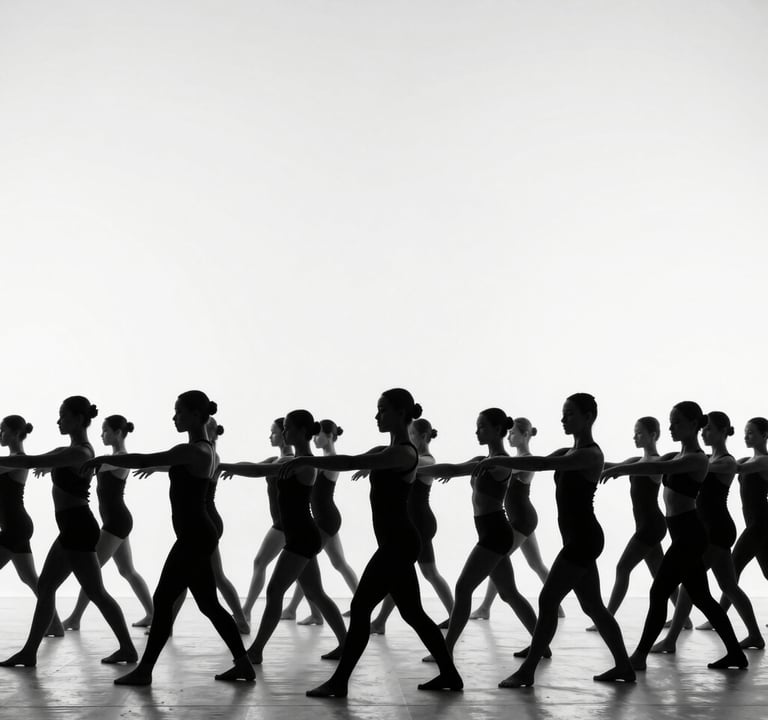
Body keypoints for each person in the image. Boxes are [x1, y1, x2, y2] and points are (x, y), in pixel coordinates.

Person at [277, 389, 462, 698]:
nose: (377, 416)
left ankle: (340, 681)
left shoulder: (403, 453)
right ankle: (450, 675)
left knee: (360, 606)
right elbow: (363, 459)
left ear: (402, 413)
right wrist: (363, 463)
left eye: (383, 410)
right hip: (395, 541)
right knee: (413, 612)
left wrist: (307, 458)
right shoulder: (385, 450)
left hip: (399, 543)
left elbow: (353, 460)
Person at [82, 390, 253, 686]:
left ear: (197, 415)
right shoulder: (206, 451)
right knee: (208, 604)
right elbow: (158, 462)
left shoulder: (193, 450)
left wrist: (101, 460)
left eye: (180, 412)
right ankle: (244, 665)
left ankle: (145, 670)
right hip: (197, 533)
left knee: (163, 599)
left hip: (195, 535)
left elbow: (148, 458)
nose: (175, 417)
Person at [475, 393, 634, 688]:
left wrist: (498, 459)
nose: (563, 419)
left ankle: (528, 671)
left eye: (570, 414)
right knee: (594, 607)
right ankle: (624, 666)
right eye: (563, 414)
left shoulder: (589, 454)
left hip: (584, 538)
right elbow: (547, 460)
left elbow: (543, 464)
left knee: (548, 599)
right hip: (577, 537)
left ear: (588, 417)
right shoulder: (568, 450)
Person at [602, 401, 748, 672]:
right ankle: (736, 654)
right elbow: (646, 462)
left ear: (694, 425)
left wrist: (621, 471)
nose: (670, 427)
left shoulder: (697, 459)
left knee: (658, 590)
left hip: (690, 535)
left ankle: (638, 657)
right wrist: (609, 465)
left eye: (677, 422)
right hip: (682, 533)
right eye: (670, 422)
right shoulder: (674, 455)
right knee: (702, 597)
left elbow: (651, 470)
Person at [0, 396, 137, 669]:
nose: (58, 420)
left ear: (77, 418)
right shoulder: (69, 450)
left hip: (78, 527)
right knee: (47, 587)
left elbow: (30, 461)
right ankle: (29, 652)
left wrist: (42, 463)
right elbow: (42, 460)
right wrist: (46, 464)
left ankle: (128, 648)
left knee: (95, 592)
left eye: (63, 415)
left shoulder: (82, 453)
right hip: (70, 528)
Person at [218, 410, 347, 665]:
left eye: (287, 427)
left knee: (275, 589)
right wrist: (228, 466)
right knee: (316, 593)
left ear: (300, 431)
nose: (284, 431)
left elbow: (260, 470)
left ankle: (256, 650)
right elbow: (260, 467)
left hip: (301, 537)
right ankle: (347, 644)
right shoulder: (297, 460)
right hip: (300, 535)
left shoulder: (304, 462)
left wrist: (226, 466)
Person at [418, 409, 540, 663]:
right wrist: (413, 471)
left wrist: (412, 471)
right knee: (509, 593)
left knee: (463, 588)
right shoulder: (483, 459)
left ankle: (446, 649)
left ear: (497, 430)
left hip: (495, 532)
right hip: (491, 531)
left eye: (482, 427)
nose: (477, 432)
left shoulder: (503, 462)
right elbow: (453, 469)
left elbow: (464, 469)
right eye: (477, 427)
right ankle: (542, 645)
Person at [650, 411, 763, 652]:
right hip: (710, 528)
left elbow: (693, 466)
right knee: (729, 586)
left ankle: (671, 640)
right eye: (703, 429)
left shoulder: (726, 462)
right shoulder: (706, 458)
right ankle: (754, 635)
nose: (704, 432)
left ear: (723, 432)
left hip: (717, 529)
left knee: (691, 585)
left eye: (709, 429)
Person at [585, 417, 683, 630]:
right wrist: (586, 464)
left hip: (651, 526)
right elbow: (612, 466)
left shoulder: (656, 463)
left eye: (639, 433)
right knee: (660, 575)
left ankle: (606, 618)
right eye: (634, 432)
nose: (634, 436)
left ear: (653, 435)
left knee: (622, 568)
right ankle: (683, 619)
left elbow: (632, 469)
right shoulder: (636, 461)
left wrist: (619, 471)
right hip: (647, 526)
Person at [61, 415, 153, 630]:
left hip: (116, 522)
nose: (101, 435)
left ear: (118, 433)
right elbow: (90, 465)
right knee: (127, 571)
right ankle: (152, 613)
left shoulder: (121, 458)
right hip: (117, 521)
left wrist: (64, 464)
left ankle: (75, 618)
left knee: (89, 570)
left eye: (105, 431)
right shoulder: (112, 458)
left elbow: (89, 466)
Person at [363, 418, 454, 635]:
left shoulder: (426, 460)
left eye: (412, 434)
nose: (409, 438)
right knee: (424, 572)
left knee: (408, 571)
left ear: (423, 436)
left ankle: (454, 615)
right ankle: (454, 614)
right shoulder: (414, 457)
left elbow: (408, 464)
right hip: (416, 522)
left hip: (420, 523)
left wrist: (377, 461)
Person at [470, 418, 564, 621]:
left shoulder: (525, 459)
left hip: (523, 517)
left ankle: (485, 607)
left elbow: (506, 469)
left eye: (513, 433)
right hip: (519, 518)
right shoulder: (512, 459)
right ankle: (558, 607)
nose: (510, 436)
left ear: (526, 435)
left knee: (497, 560)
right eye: (509, 433)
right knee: (536, 564)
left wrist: (489, 463)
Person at [281, 419, 358, 625]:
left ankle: (307, 612)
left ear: (331, 436)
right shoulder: (321, 460)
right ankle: (359, 605)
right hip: (325, 517)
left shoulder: (330, 460)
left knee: (303, 561)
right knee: (339, 563)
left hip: (326, 518)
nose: (315, 438)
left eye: (319, 434)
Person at [699, 417, 768, 625]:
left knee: (733, 567)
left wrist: (700, 463)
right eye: (745, 432)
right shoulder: (748, 459)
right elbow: (730, 465)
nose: (746, 436)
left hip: (761, 524)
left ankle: (716, 618)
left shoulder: (764, 460)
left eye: (751, 433)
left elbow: (734, 469)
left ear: (765, 436)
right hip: (754, 522)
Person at [0, 415, 64, 637]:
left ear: (17, 433)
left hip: (16, 526)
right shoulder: (11, 459)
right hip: (15, 526)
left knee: (31, 578)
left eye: (3, 430)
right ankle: (55, 624)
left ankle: (54, 623)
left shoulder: (18, 460)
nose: (0, 435)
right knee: (29, 578)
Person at [238, 418, 294, 625]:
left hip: (284, 524)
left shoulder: (287, 461)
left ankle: (246, 612)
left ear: (283, 434)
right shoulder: (274, 459)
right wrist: (228, 468)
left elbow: (255, 471)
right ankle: (315, 613)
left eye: (273, 432)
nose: (269, 436)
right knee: (307, 580)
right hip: (286, 523)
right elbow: (253, 468)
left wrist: (223, 466)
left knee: (260, 562)